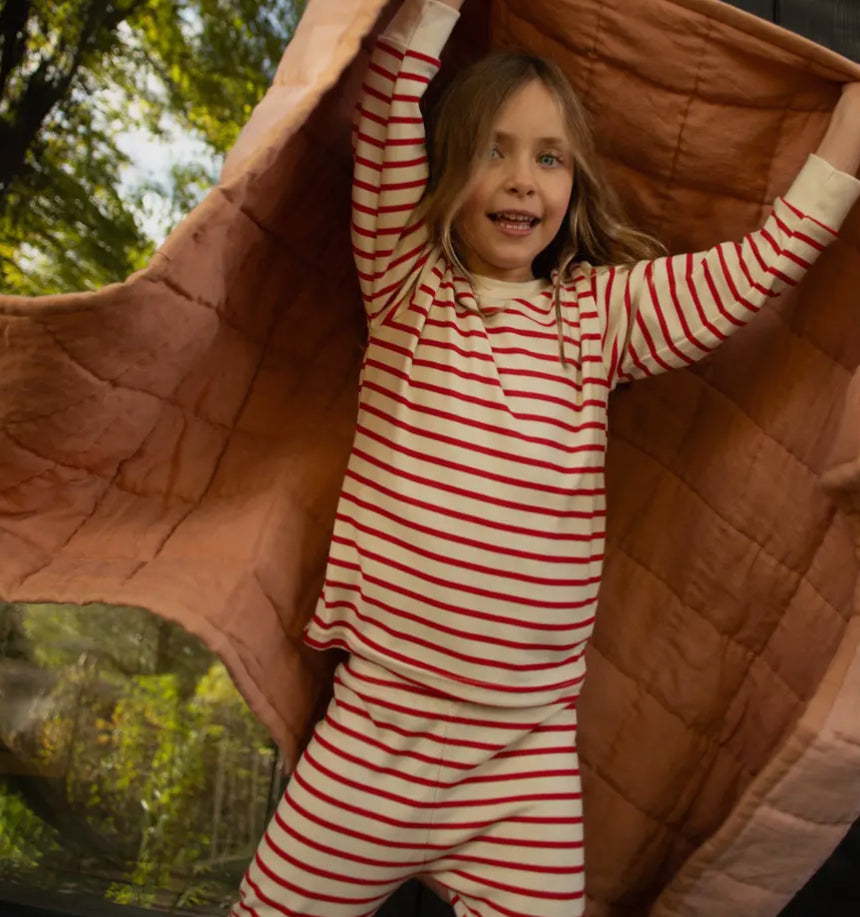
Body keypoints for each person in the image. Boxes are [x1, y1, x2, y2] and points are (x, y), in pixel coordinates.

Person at [231, 0, 860, 914]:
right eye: (493, 149)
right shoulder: (409, 282)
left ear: (573, 182)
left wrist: (845, 146)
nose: (521, 179)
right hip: (376, 739)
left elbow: (749, 273)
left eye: (548, 156)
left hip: (520, 764)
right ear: (449, 167)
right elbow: (385, 104)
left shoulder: (596, 315)